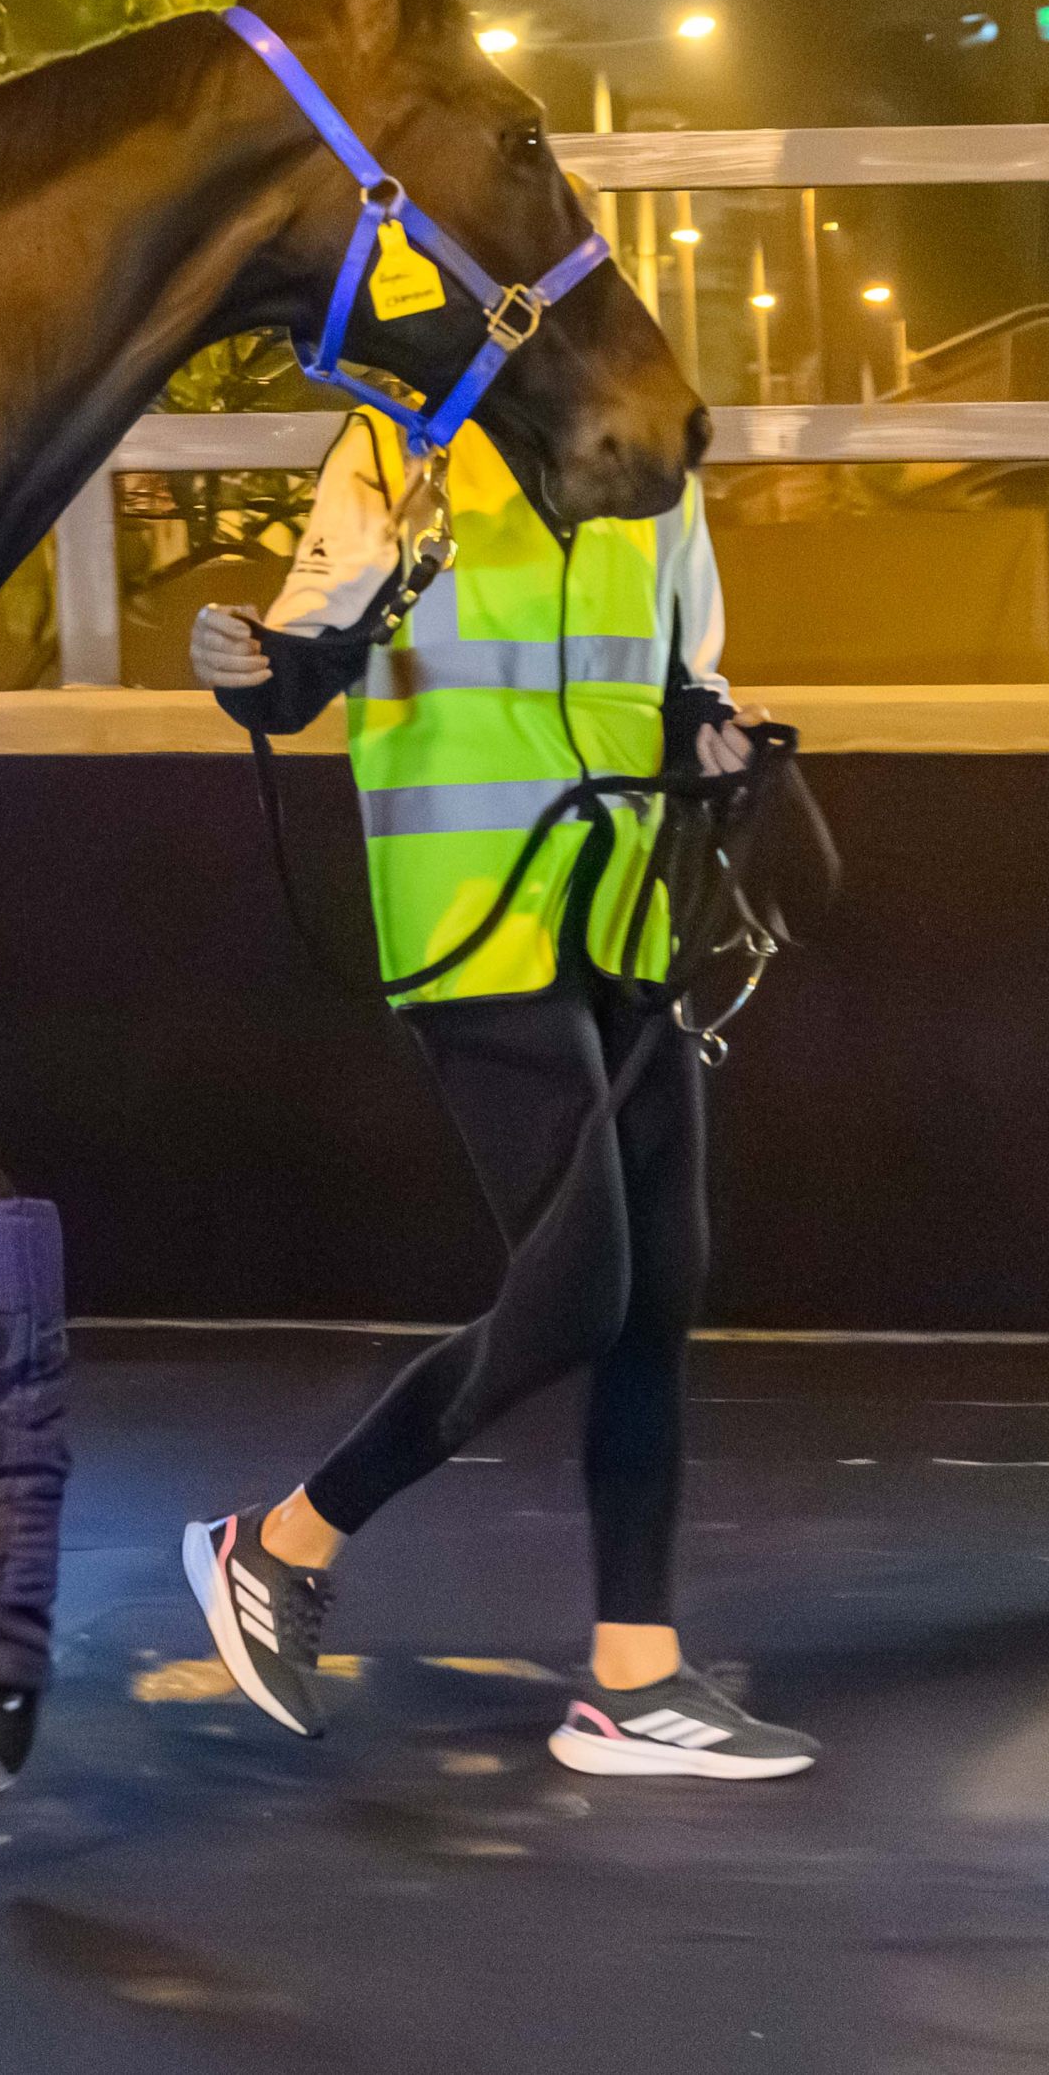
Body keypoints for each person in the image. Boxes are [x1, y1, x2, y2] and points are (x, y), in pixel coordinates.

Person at [178, 403, 817, 1781]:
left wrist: (713, 733)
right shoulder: (403, 446)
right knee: (582, 1285)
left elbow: (680, 666)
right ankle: (280, 1540)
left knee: (659, 1288)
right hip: (473, 912)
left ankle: (633, 1681)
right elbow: (302, 668)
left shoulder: (653, 454)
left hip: (629, 903)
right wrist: (243, 663)